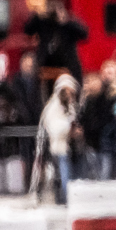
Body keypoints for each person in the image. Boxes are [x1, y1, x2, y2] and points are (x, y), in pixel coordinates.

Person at [23, 0, 89, 86]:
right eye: (50, 5)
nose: (53, 9)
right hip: (46, 65)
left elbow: (84, 35)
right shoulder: (41, 21)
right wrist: (38, 15)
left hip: (67, 66)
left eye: (56, 5)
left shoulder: (68, 23)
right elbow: (27, 31)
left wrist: (66, 21)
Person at [37, 74, 79, 203]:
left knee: (68, 174)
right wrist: (68, 127)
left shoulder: (71, 106)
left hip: (69, 146)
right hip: (58, 147)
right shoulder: (53, 106)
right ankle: (64, 198)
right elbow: (52, 127)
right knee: (62, 174)